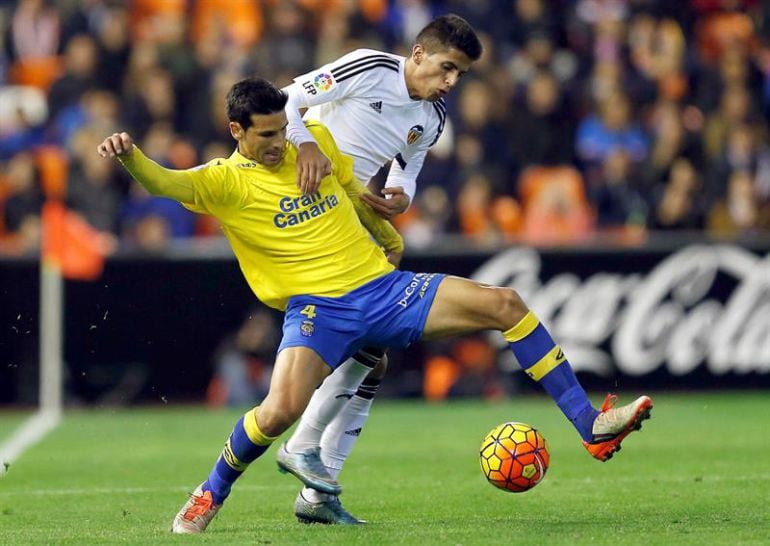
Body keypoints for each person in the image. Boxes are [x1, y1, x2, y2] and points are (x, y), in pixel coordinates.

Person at [97, 76, 654, 535]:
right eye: (265, 135)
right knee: (279, 411)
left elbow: (351, 194)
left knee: (505, 304)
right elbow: (166, 184)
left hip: (383, 289)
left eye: (281, 131)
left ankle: (591, 423)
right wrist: (131, 157)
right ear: (236, 130)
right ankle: (210, 493)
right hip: (318, 308)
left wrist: (384, 235)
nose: (277, 143)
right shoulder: (224, 182)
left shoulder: (308, 145)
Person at [279, 13, 483, 524]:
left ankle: (316, 493)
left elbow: (408, 163)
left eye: (459, 73)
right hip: (309, 207)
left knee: (373, 355)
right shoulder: (369, 68)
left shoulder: (432, 117)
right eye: (446, 67)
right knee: (365, 345)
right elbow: (285, 99)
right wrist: (305, 142)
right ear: (417, 54)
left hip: (355, 217)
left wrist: (403, 193)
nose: (451, 81)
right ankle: (301, 450)